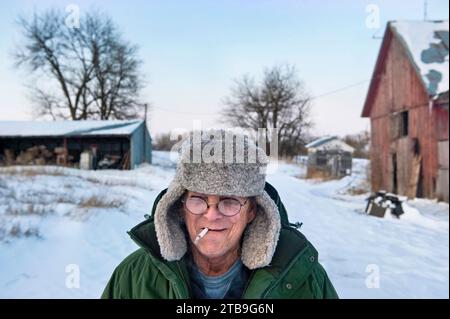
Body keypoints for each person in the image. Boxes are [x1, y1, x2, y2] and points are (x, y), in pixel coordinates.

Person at [102, 129, 338, 299]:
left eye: (229, 202)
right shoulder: (134, 276)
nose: (212, 216)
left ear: (253, 211)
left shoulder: (303, 277)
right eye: (198, 200)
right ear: (180, 206)